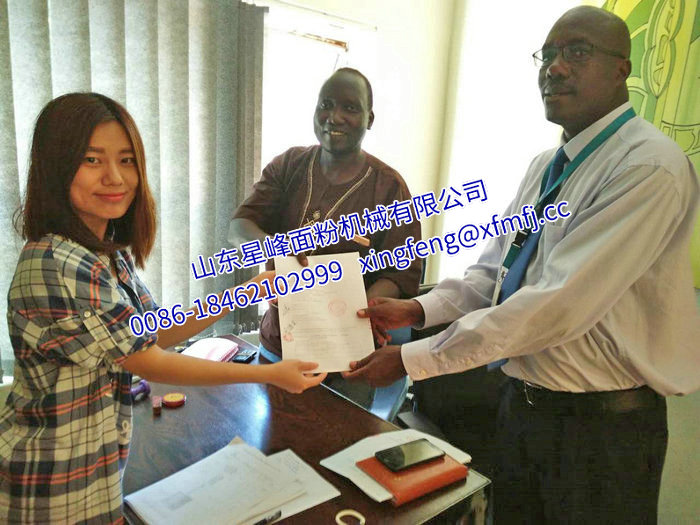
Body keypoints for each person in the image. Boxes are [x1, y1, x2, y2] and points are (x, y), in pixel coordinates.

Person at [344, 6, 700, 523]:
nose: (555, 67)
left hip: (600, 432)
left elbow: (555, 306)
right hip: (521, 410)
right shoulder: (547, 166)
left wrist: (410, 359)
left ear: (621, 69)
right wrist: (415, 311)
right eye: (548, 55)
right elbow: (494, 274)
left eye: (577, 52)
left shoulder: (647, 166)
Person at [0, 93, 326, 523]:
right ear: (57, 165)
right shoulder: (57, 262)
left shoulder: (105, 254)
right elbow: (148, 360)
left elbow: (152, 330)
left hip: (94, 472)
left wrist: (249, 291)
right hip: (51, 483)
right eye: (92, 160)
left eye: (127, 160)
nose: (115, 177)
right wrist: (269, 374)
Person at [229, 68, 421, 405]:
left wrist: (361, 309)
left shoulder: (389, 188)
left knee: (341, 437)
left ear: (369, 118)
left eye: (350, 108)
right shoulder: (289, 165)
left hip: (348, 359)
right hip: (280, 348)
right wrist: (273, 247)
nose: (335, 117)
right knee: (272, 436)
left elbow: (401, 272)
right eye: (326, 105)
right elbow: (240, 226)